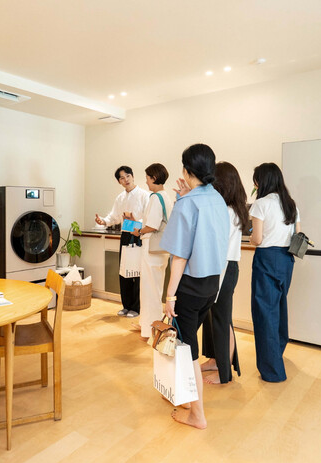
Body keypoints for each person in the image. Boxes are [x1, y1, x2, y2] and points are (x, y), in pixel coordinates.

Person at [160, 143, 229, 429]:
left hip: (188, 287)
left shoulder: (188, 204)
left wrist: (170, 296)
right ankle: (188, 398)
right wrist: (184, 198)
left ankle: (197, 414)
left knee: (187, 351)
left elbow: (179, 256)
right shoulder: (218, 199)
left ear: (187, 171)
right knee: (187, 342)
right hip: (211, 285)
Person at [249, 162, 300, 382]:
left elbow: (257, 239)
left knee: (264, 313)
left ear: (261, 181)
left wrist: (252, 236)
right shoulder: (290, 204)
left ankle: (273, 371)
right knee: (279, 307)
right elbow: (298, 235)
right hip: (286, 259)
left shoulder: (261, 204)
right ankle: (276, 352)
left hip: (267, 258)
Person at [201, 161, 248, 384]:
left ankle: (224, 371)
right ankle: (215, 359)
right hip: (221, 267)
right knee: (213, 318)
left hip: (224, 268)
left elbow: (215, 241)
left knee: (222, 320)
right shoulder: (231, 209)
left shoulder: (227, 211)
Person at [95, 166, 150, 318]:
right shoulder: (120, 198)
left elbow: (148, 218)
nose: (125, 180)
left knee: (136, 273)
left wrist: (135, 221)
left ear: (132, 176)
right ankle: (126, 306)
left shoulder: (144, 195)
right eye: (122, 178)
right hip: (125, 235)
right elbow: (113, 217)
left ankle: (136, 307)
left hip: (139, 235)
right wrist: (103, 221)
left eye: (127, 176)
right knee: (124, 270)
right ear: (119, 181)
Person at [130, 163, 174, 339]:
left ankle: (151, 330)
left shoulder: (156, 197)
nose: (146, 182)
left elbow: (153, 225)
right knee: (153, 289)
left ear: (154, 178)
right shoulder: (166, 196)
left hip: (152, 250)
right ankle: (145, 325)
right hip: (161, 251)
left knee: (150, 291)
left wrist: (139, 231)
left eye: (148, 178)